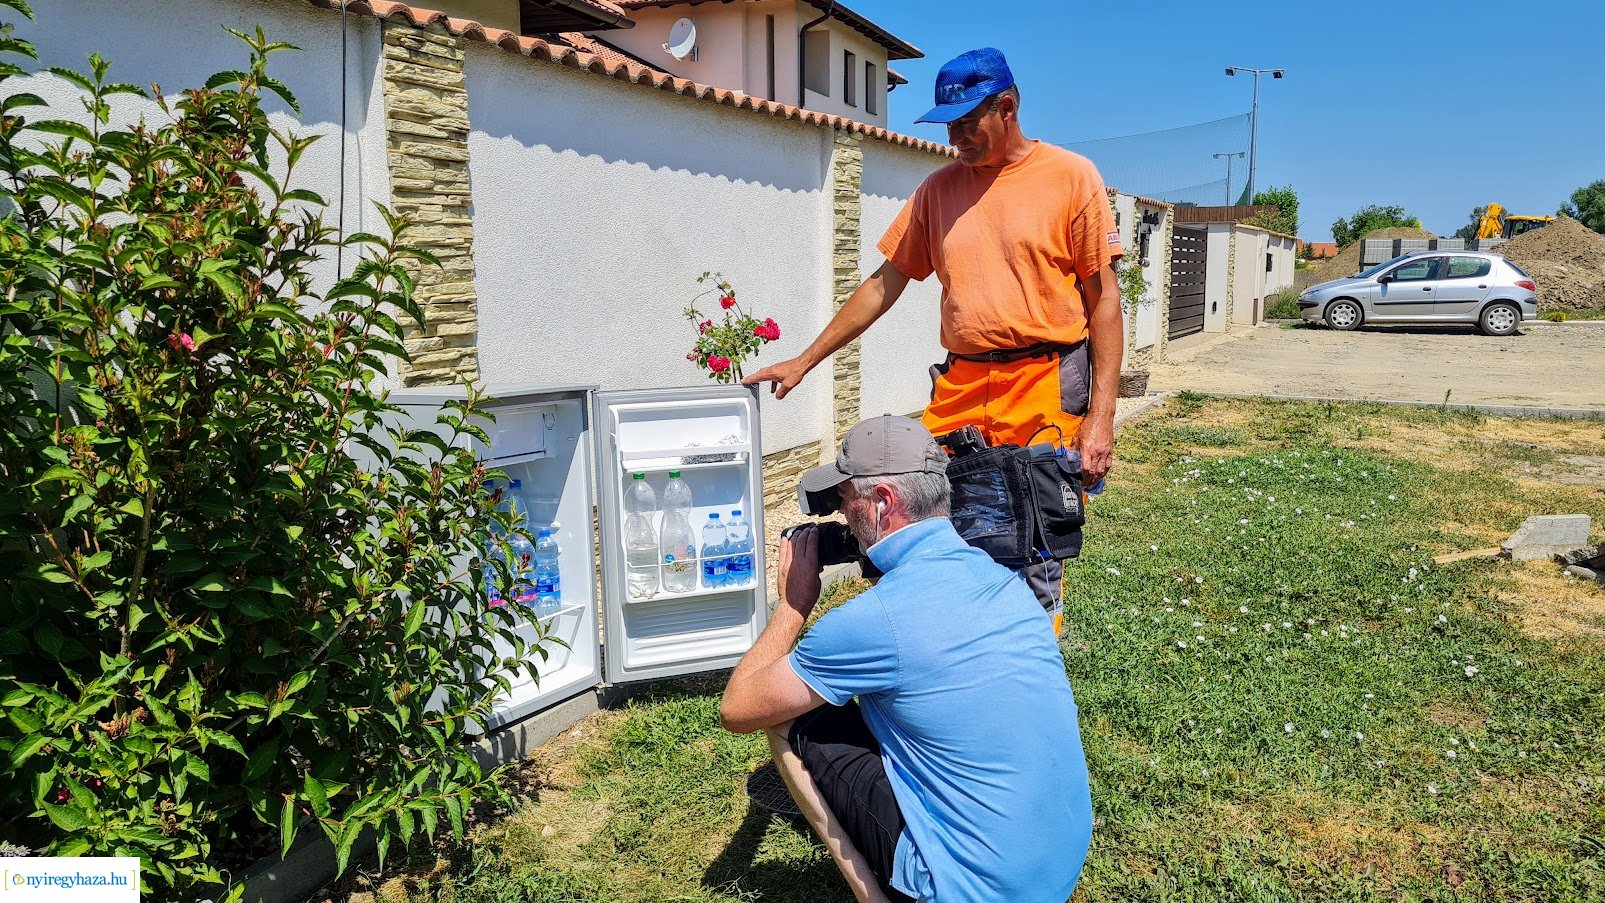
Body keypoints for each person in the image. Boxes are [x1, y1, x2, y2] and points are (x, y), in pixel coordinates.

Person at [745, 47, 1125, 631]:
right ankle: (949, 640)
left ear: (1008, 107)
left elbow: (1104, 305)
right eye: (950, 126)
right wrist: (805, 360)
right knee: (936, 517)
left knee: (1033, 528)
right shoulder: (936, 190)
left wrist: (1102, 417)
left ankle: (1031, 657)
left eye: (969, 123)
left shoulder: (1071, 178)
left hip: (1045, 377)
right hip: (964, 378)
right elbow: (882, 284)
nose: (958, 138)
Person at [720, 415, 1093, 903]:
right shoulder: (1005, 579)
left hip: (972, 891)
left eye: (844, 499)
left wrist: (793, 603)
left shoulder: (875, 621)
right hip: (1052, 870)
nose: (839, 515)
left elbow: (739, 708)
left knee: (788, 713)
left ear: (882, 502)